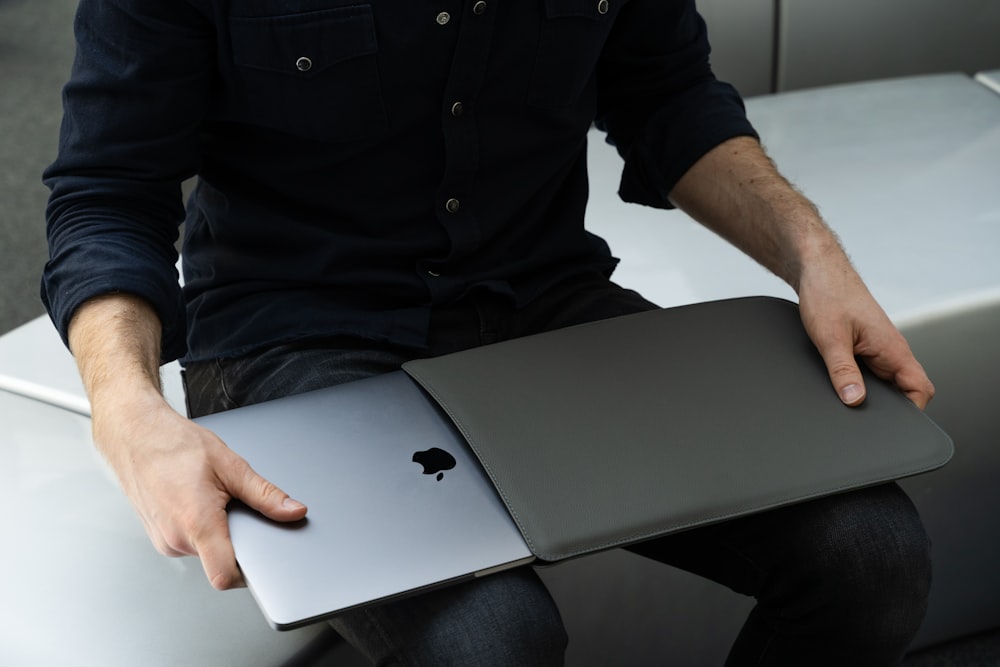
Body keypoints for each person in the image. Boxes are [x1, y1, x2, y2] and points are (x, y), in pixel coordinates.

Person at [43, 0, 934, 664]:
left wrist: (811, 254)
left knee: (871, 552)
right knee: (491, 639)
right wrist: (125, 406)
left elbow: (667, 94)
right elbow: (107, 190)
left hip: (544, 299)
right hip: (297, 328)